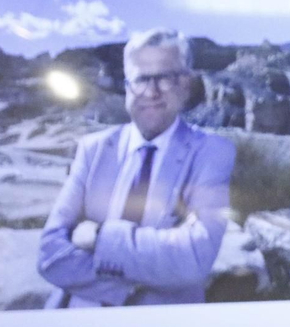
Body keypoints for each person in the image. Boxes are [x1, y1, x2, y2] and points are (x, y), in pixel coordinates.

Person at [38, 28, 236, 308]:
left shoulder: (213, 152)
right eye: (142, 79)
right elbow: (51, 254)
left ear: (185, 84)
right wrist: (130, 292)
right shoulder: (92, 149)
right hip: (78, 317)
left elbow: (194, 257)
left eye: (165, 78)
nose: (152, 92)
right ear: (127, 85)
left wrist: (99, 236)